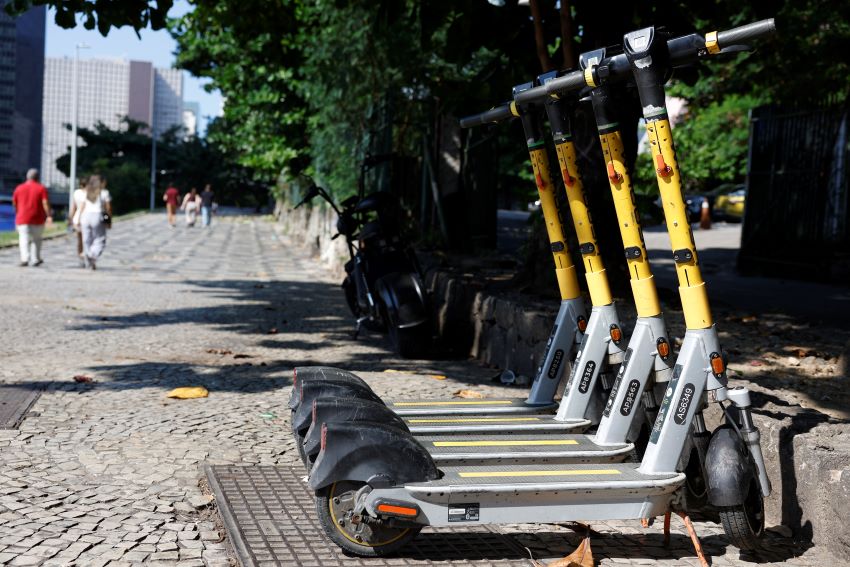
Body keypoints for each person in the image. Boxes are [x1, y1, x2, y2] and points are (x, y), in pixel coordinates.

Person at [12, 168, 52, 267]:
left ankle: (25, 258)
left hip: (22, 218)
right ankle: (35, 259)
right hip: (38, 218)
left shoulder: (19, 188)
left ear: (27, 177)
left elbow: (14, 203)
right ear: (38, 177)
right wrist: (49, 215)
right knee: (37, 239)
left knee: (23, 238)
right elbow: (45, 203)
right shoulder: (41, 188)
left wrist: (17, 212)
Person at [77, 174, 112, 270]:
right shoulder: (104, 192)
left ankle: (88, 259)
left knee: (87, 240)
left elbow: (82, 206)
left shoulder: (86, 192)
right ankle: (92, 254)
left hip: (85, 217)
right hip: (97, 216)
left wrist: (79, 219)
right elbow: (108, 208)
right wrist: (109, 221)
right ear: (101, 182)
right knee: (100, 239)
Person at [68, 176, 88, 267]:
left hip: (77, 219)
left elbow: (73, 208)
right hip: (88, 218)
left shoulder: (76, 193)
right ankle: (88, 256)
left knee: (80, 240)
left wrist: (70, 219)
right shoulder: (91, 193)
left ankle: (81, 258)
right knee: (88, 239)